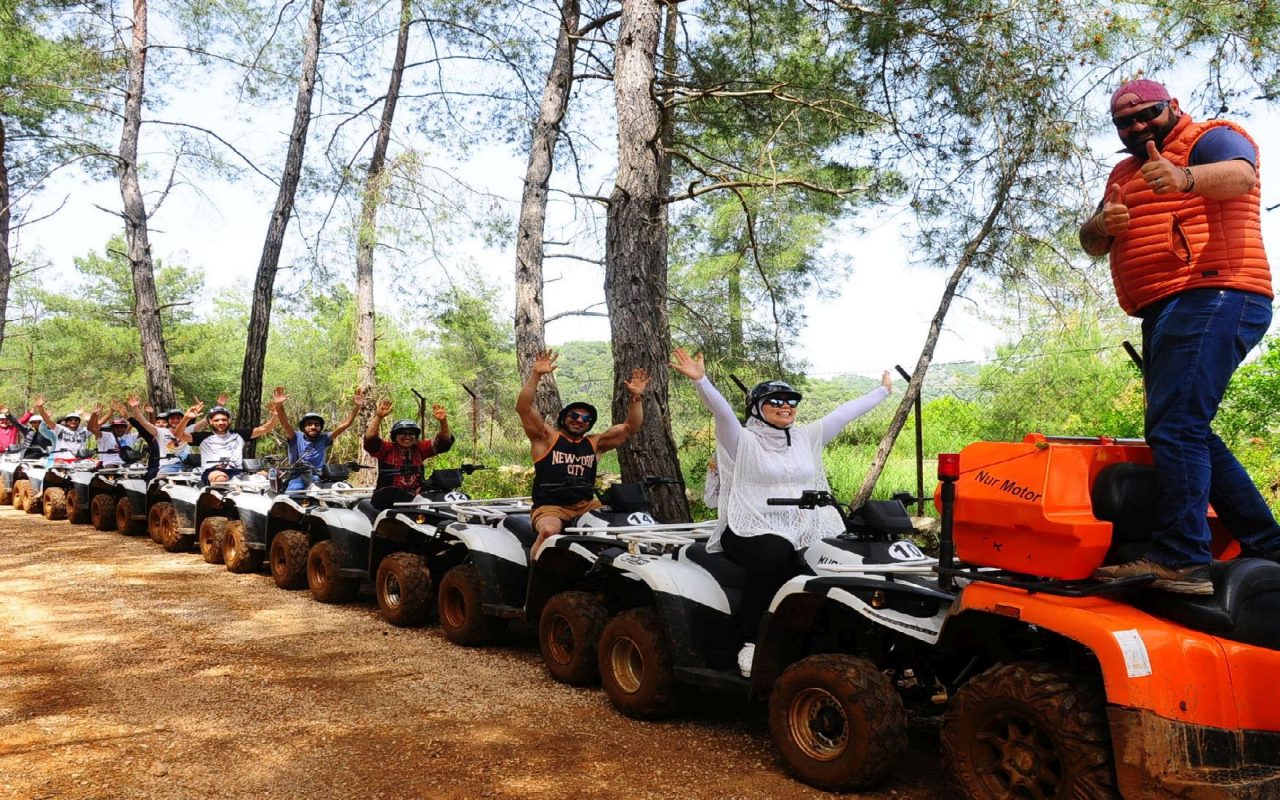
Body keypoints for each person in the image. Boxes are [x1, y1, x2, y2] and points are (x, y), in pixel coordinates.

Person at [1079, 79, 1280, 595]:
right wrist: (1104, 222)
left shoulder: (1211, 139)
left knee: (1177, 426)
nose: (1138, 126)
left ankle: (1182, 557)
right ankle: (1268, 546)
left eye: (1147, 114)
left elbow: (1240, 175)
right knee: (1185, 427)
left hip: (1215, 291)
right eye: (1125, 122)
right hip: (1167, 305)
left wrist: (1184, 177)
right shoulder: (1123, 173)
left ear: (1172, 107)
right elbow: (1090, 242)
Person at [672, 347, 892, 676]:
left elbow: (844, 414)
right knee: (777, 557)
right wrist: (702, 382)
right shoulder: (741, 439)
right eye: (775, 401)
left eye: (790, 400)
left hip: (804, 523)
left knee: (841, 557)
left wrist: (882, 392)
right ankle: (751, 643)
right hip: (750, 523)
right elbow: (722, 414)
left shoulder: (806, 437)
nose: (785, 406)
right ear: (758, 408)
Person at [517, 349, 650, 555]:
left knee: (622, 526)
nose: (580, 420)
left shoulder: (595, 443)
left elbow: (629, 427)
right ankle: (533, 577)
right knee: (549, 532)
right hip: (551, 507)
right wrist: (536, 375)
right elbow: (524, 408)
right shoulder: (547, 438)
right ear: (564, 418)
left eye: (586, 419)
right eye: (575, 415)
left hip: (586, 505)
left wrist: (636, 398)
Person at [363, 397, 454, 505]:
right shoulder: (387, 448)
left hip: (417, 498)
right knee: (388, 493)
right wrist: (378, 417)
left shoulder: (420, 449)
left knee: (440, 494)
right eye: (403, 433)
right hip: (388, 499)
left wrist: (443, 421)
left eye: (411, 433)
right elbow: (370, 439)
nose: (407, 437)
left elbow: (444, 442)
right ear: (395, 436)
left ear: (416, 437)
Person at [270, 385, 363, 490]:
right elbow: (285, 424)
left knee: (342, 490)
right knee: (294, 491)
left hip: (318, 478)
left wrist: (357, 407)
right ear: (303, 427)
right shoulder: (295, 437)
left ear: (321, 427)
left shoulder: (324, 438)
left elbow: (345, 424)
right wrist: (279, 406)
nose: (313, 427)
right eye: (309, 424)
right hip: (297, 477)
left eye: (316, 424)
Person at [177, 402, 278, 485]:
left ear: (229, 420)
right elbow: (178, 435)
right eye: (216, 420)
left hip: (237, 472)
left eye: (223, 419)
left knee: (269, 475)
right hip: (213, 472)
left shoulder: (239, 434)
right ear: (210, 422)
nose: (220, 422)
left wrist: (275, 415)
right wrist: (186, 418)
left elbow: (265, 428)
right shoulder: (202, 437)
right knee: (220, 478)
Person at [31, 396, 91, 463]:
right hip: (62, 461)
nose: (73, 422)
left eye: (76, 420)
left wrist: (89, 419)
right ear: (66, 422)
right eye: (70, 420)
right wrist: (40, 408)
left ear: (79, 422)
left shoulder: (83, 431)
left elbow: (94, 427)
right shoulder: (60, 430)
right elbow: (46, 423)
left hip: (81, 461)